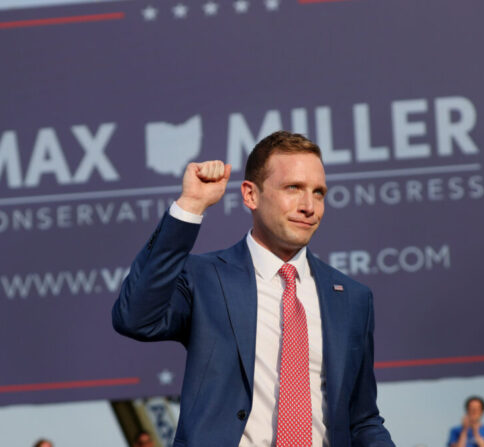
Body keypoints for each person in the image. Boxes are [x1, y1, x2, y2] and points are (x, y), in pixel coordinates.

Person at [113, 131, 395, 446]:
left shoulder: (353, 299)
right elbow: (134, 317)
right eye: (293, 188)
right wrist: (190, 206)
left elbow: (362, 420)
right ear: (251, 195)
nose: (308, 206)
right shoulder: (205, 278)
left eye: (319, 193)